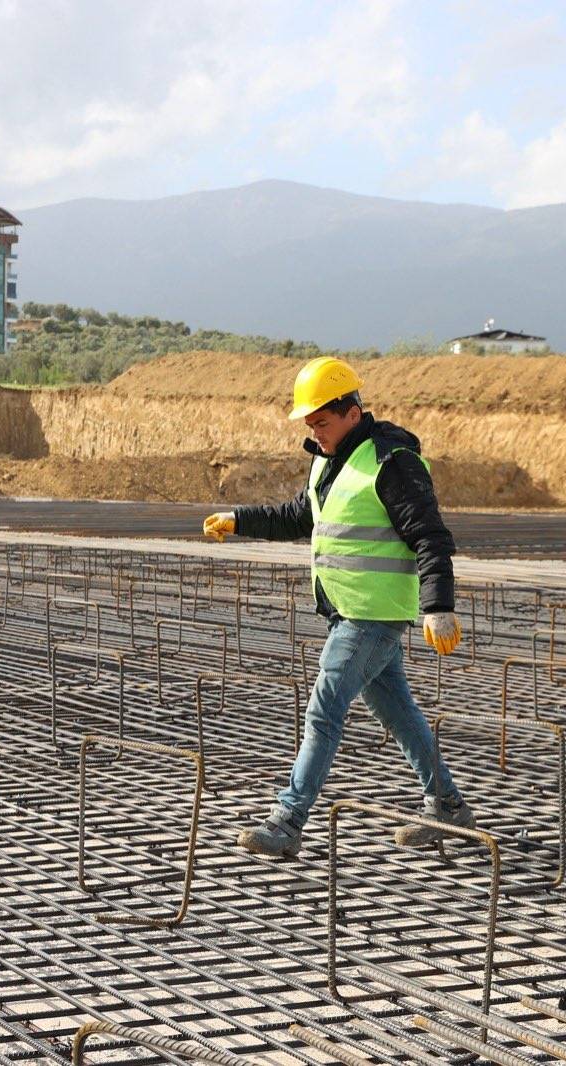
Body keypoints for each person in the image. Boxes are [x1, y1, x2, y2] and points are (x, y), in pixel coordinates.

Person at [202, 356, 473, 857]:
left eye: (322, 423)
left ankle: (287, 821)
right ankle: (449, 809)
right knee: (401, 716)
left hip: (373, 615)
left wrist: (439, 606)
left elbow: (431, 537)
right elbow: (299, 515)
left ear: (352, 411)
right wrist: (238, 519)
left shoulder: (393, 462)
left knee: (324, 711)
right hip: (349, 611)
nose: (316, 433)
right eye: (310, 425)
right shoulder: (330, 459)